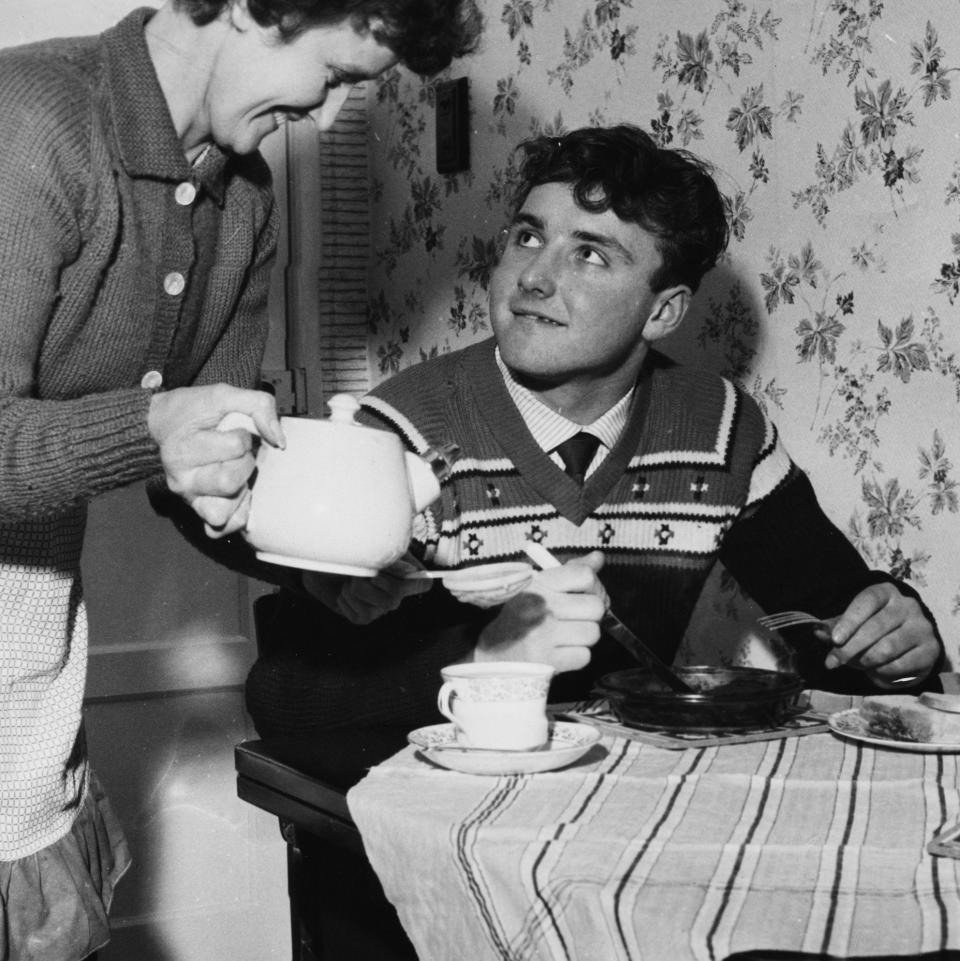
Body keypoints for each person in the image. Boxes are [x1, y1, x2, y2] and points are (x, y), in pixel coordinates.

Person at [0, 0, 481, 960]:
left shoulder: (243, 194)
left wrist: (331, 568)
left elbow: (202, 460)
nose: (323, 115)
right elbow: (147, 431)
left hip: (23, 696)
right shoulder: (32, 125)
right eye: (339, 75)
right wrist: (153, 426)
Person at [246, 124, 943, 739]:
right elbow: (284, 700)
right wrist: (488, 659)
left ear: (664, 312)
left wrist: (898, 643)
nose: (535, 278)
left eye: (590, 255)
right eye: (528, 236)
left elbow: (834, 634)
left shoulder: (718, 426)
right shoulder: (395, 436)